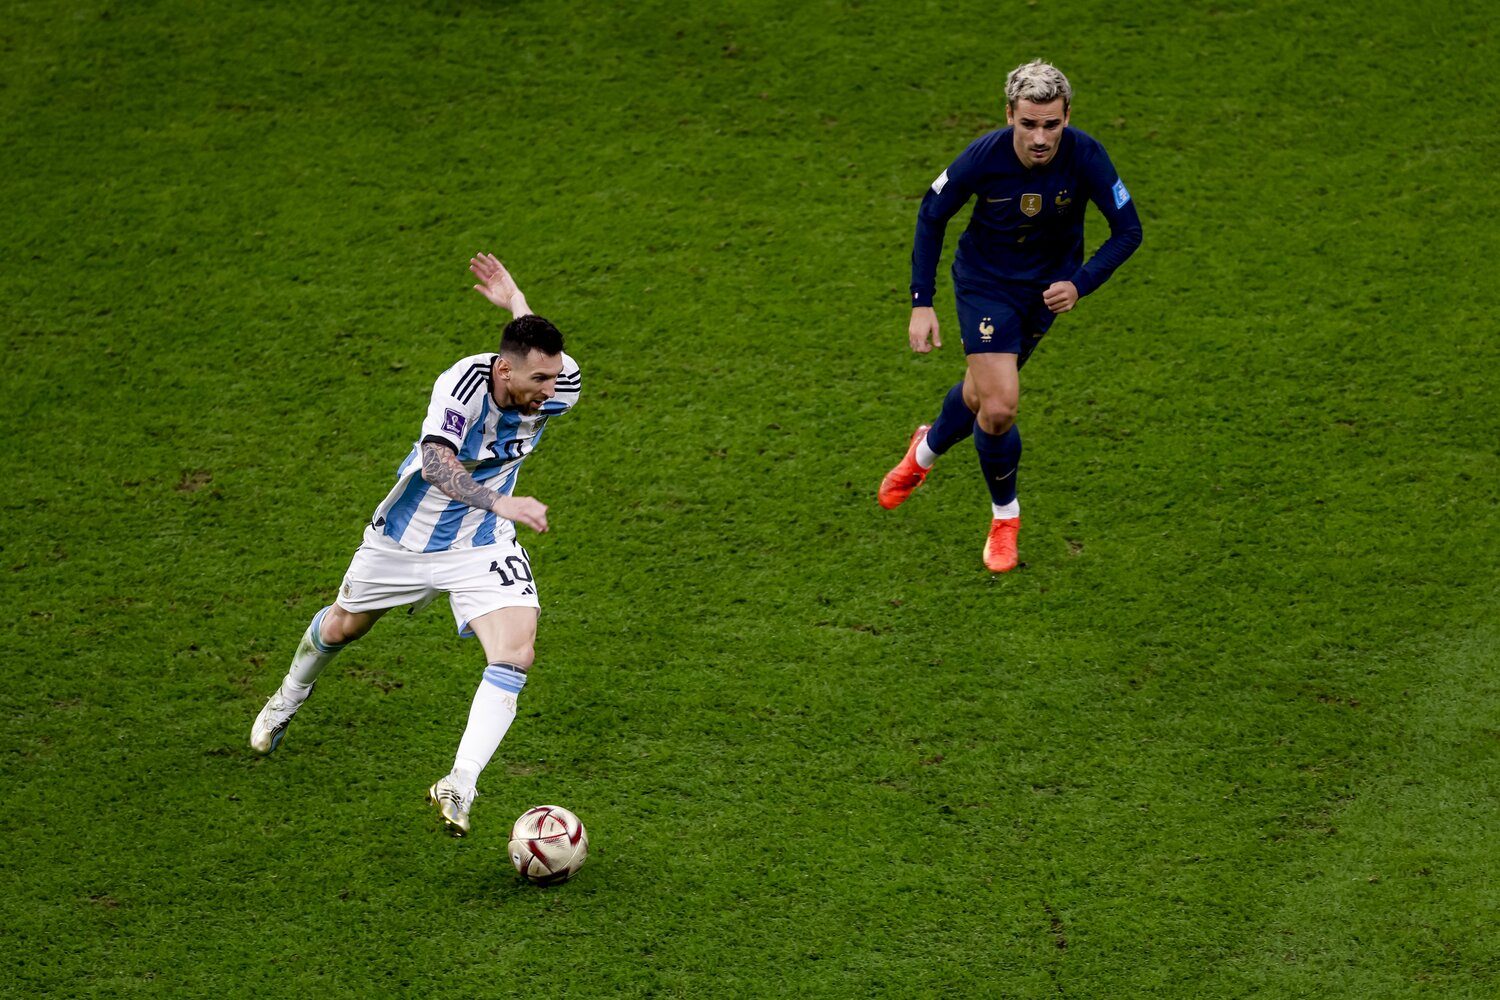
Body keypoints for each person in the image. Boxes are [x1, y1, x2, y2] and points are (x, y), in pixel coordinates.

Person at [250, 253, 582, 837]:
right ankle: (289, 693)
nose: (551, 392)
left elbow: (536, 353)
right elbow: (434, 463)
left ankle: (461, 782)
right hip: (405, 540)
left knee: (516, 654)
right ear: (504, 372)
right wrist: (502, 500)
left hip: (481, 543)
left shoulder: (557, 382)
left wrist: (516, 301)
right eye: (539, 381)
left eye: (554, 378)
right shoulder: (462, 383)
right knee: (342, 628)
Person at [879, 60, 1142, 571]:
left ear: (1068, 116)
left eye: (1052, 124)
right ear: (1009, 116)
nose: (1040, 138)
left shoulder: (1088, 156)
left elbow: (1128, 230)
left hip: (1043, 295)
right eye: (1028, 124)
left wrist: (1079, 283)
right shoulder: (983, 157)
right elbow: (932, 215)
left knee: (981, 393)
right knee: (999, 408)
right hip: (985, 286)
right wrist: (921, 302)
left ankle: (924, 451)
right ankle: (1005, 519)